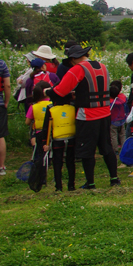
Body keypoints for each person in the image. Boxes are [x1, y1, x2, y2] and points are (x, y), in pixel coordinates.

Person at [46, 44, 120, 189]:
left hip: (87, 115)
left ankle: (90, 182)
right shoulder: (102, 66)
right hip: (105, 112)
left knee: (87, 150)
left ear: (73, 58)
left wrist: (47, 92)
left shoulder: (78, 69)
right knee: (107, 147)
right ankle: (114, 178)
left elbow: (61, 91)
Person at [41, 93, 77, 190]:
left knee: (57, 162)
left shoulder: (51, 108)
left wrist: (45, 142)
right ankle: (71, 185)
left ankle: (59, 186)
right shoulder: (73, 107)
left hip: (57, 139)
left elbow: (46, 127)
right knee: (70, 162)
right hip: (71, 138)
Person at [25, 81, 52, 191]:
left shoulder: (34, 106)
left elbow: (27, 122)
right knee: (47, 155)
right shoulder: (51, 104)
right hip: (50, 133)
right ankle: (46, 171)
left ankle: (38, 174)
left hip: (38, 133)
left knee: (38, 154)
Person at [108, 80, 127, 152]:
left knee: (113, 135)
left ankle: (115, 149)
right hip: (122, 120)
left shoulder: (110, 101)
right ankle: (124, 148)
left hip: (113, 121)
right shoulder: (123, 97)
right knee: (122, 135)